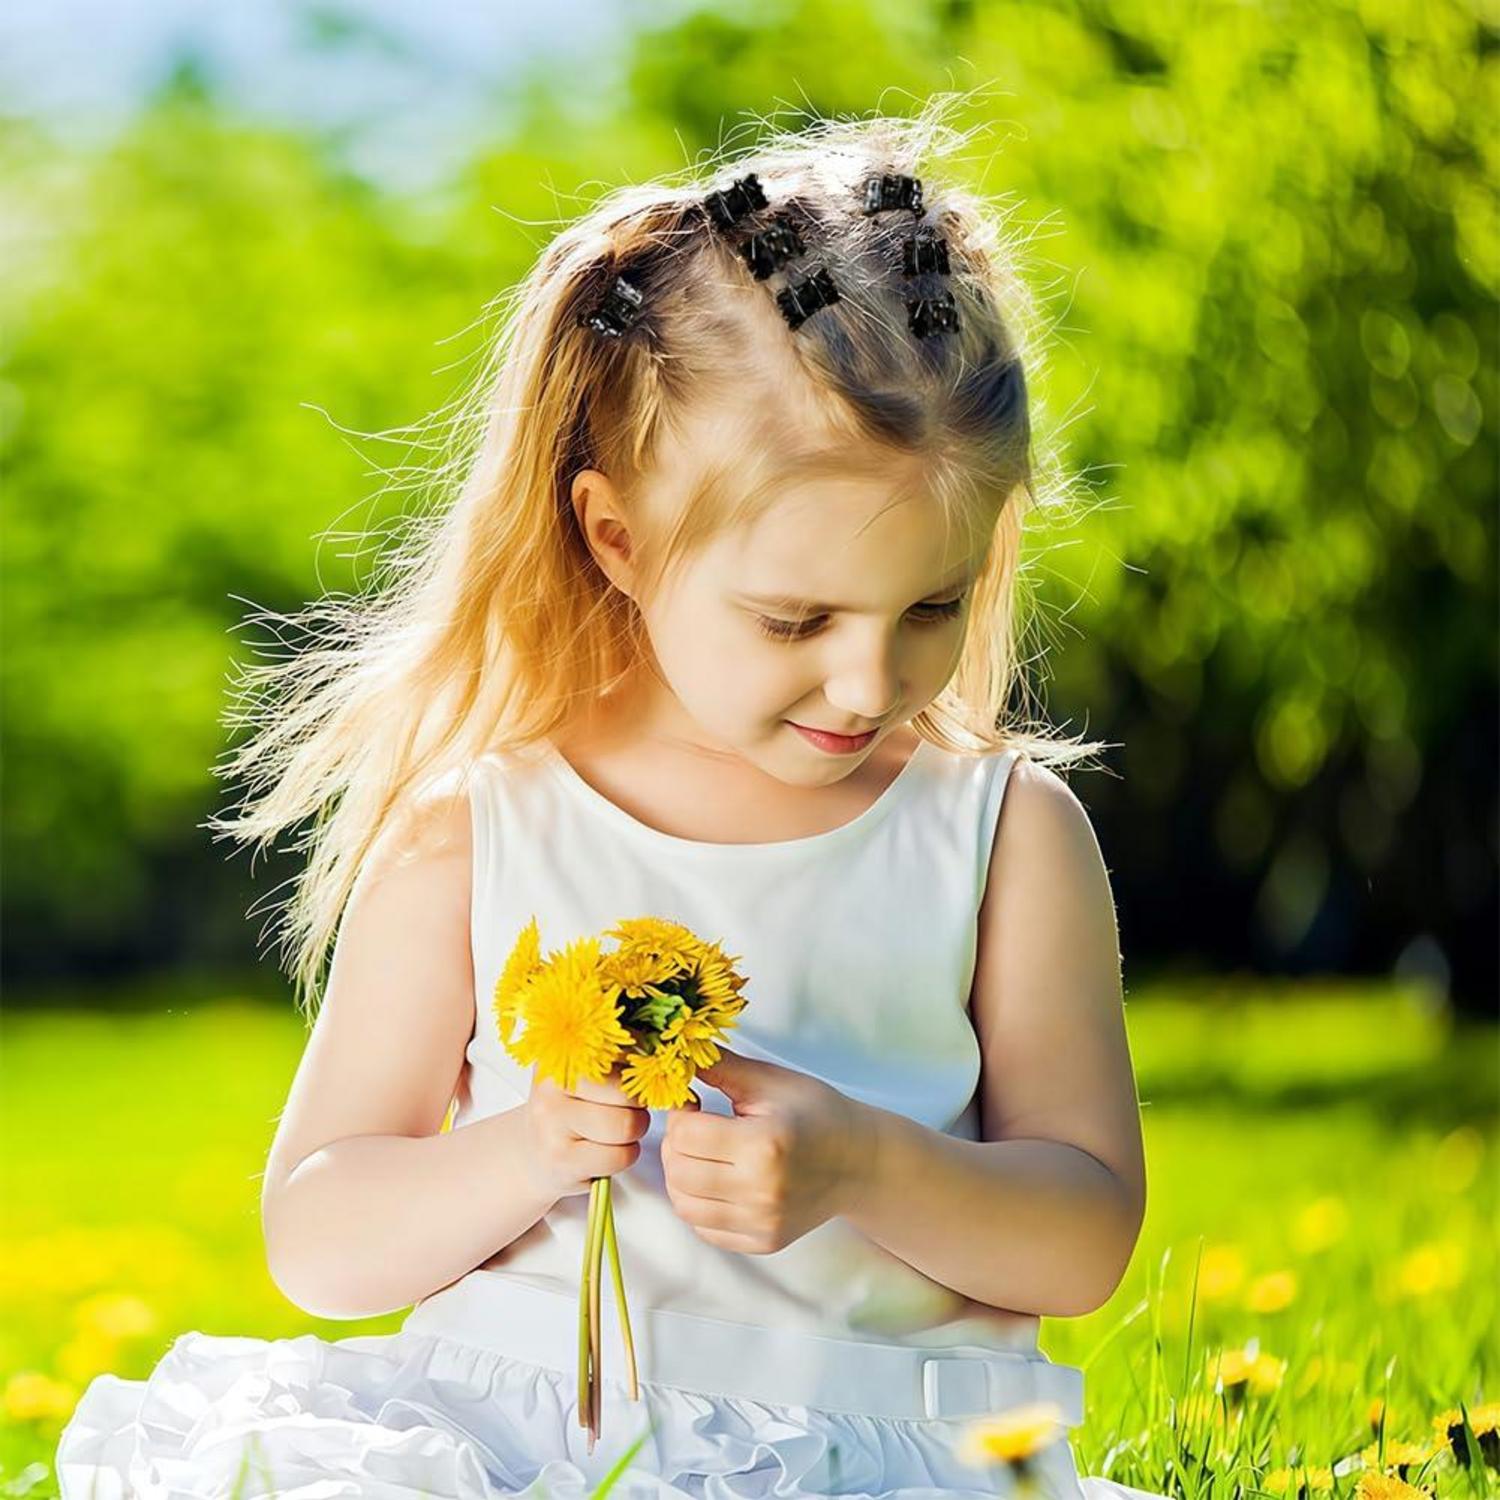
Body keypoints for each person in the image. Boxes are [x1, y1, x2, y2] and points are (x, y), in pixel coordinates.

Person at [56, 104, 1168, 1499]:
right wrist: (526, 1149)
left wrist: (865, 1169)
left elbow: (1083, 1233)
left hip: (890, 1458)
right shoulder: (486, 822)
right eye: (794, 617)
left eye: (931, 605)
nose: (866, 677)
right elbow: (321, 1237)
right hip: (530, 1444)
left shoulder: (999, 835)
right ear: (618, 539)